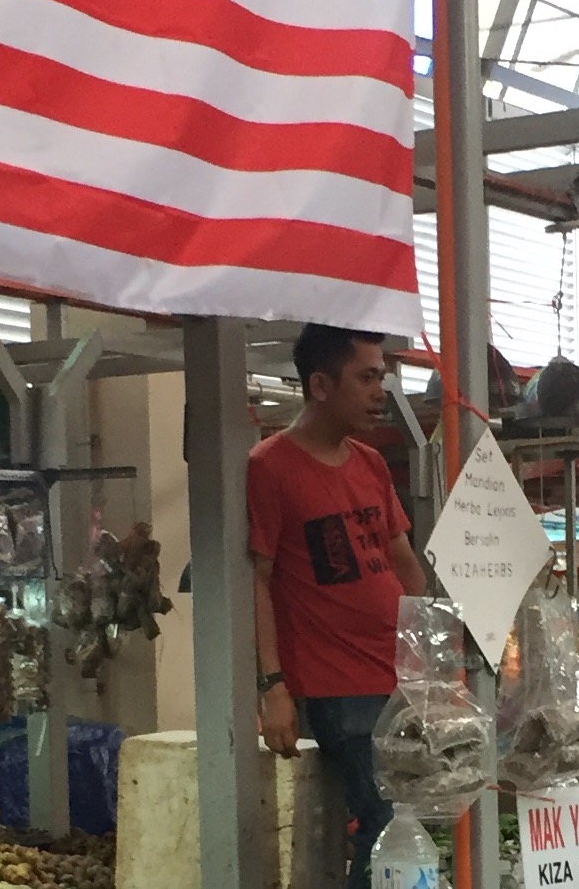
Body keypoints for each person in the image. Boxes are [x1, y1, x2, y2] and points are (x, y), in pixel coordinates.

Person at [248, 324, 429, 889]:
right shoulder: (270, 466)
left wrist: (434, 659)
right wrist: (272, 686)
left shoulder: (371, 464)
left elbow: (403, 564)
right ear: (321, 385)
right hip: (336, 685)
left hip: (397, 674)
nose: (382, 391)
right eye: (368, 377)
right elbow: (258, 580)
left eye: (383, 376)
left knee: (406, 820)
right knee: (386, 821)